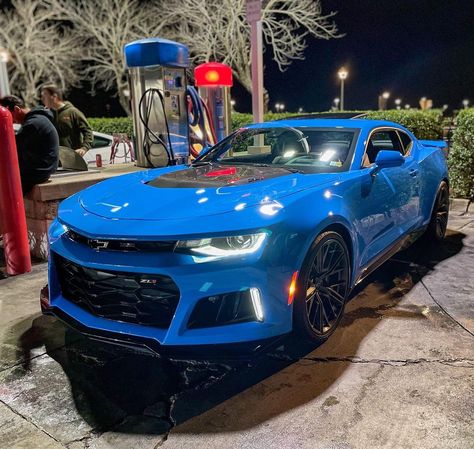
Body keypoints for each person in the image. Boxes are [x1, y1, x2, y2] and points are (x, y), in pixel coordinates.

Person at [0, 95, 59, 194]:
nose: (12, 122)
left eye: (11, 117)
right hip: (43, 169)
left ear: (16, 109)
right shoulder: (37, 120)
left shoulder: (32, 124)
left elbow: (13, 149)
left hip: (38, 171)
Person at [40, 84, 93, 157]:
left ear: (54, 96)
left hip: (73, 159)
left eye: (44, 95)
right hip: (55, 160)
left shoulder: (72, 112)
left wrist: (84, 148)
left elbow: (87, 130)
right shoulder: (48, 114)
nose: (42, 99)